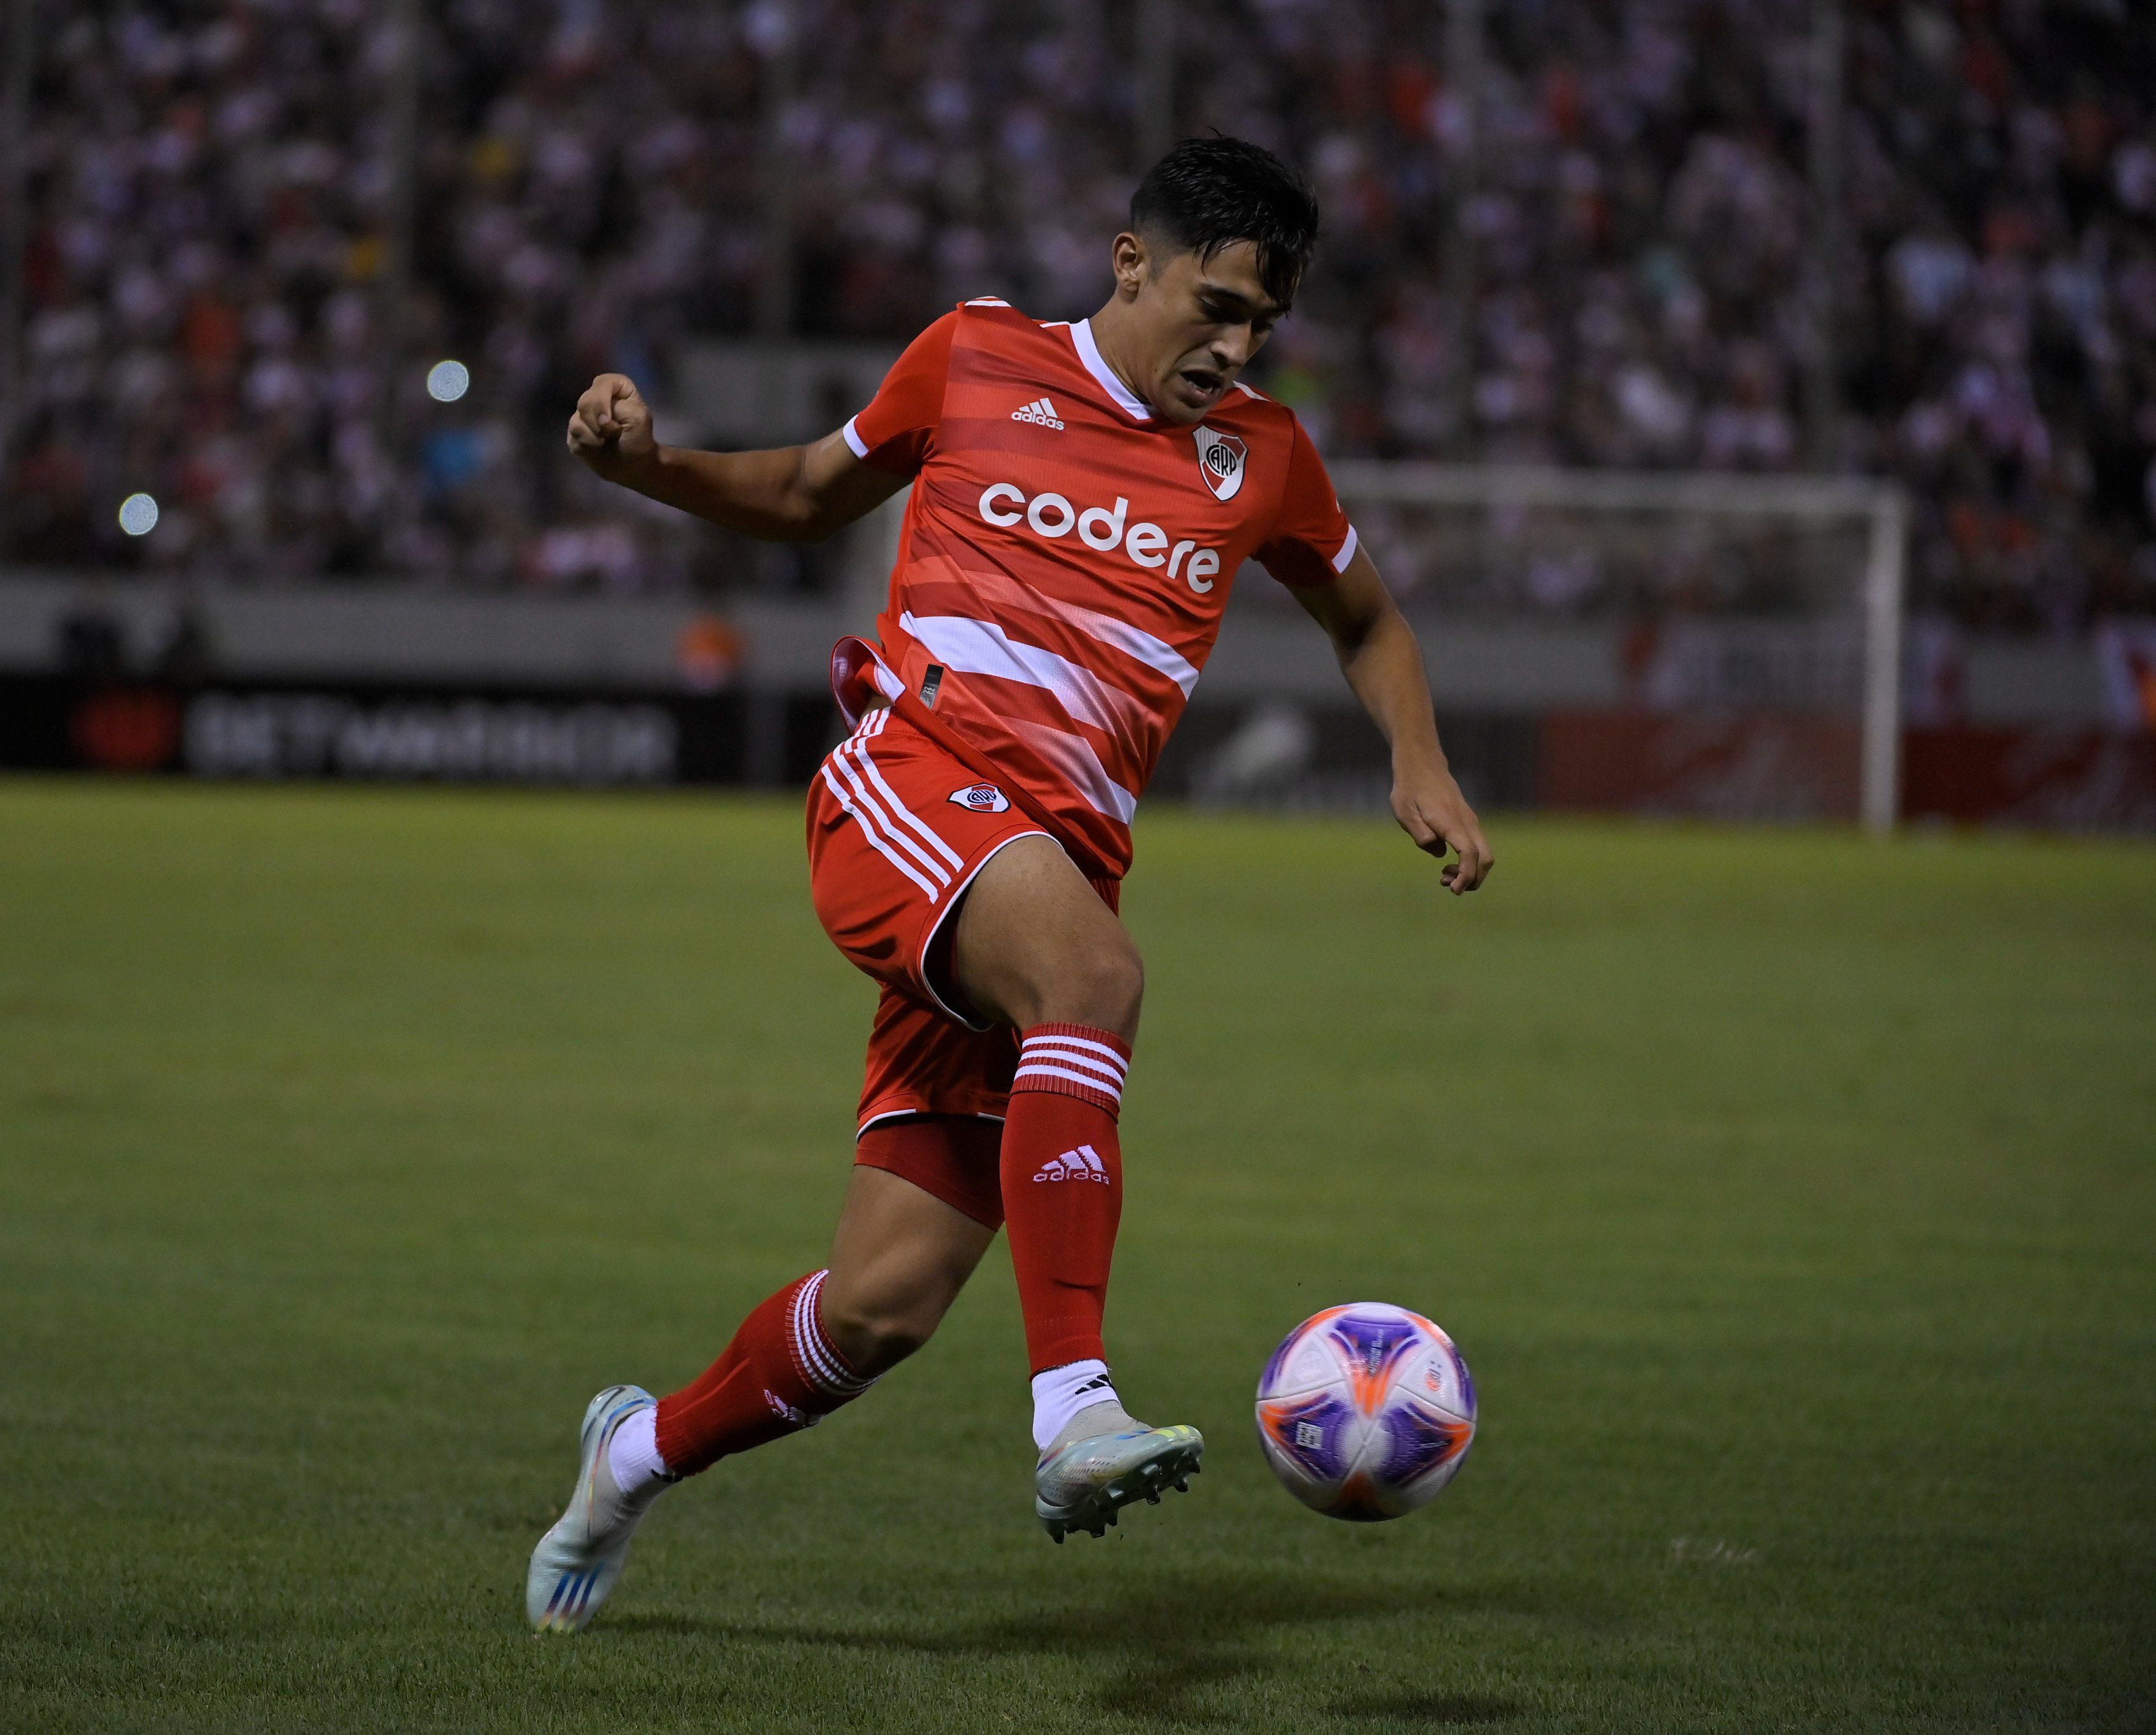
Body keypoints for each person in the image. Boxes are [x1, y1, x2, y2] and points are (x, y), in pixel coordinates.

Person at [527, 136, 1493, 1633]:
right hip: (906, 791)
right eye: (1214, 304)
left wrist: (1415, 758)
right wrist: (642, 466)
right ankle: (1070, 1412)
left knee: (881, 1305)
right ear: (1131, 263)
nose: (1232, 346)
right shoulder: (973, 355)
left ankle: (630, 1454)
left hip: (1035, 881)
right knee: (1097, 979)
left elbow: (1365, 619)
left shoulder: (1265, 459)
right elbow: (799, 491)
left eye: (1261, 325)